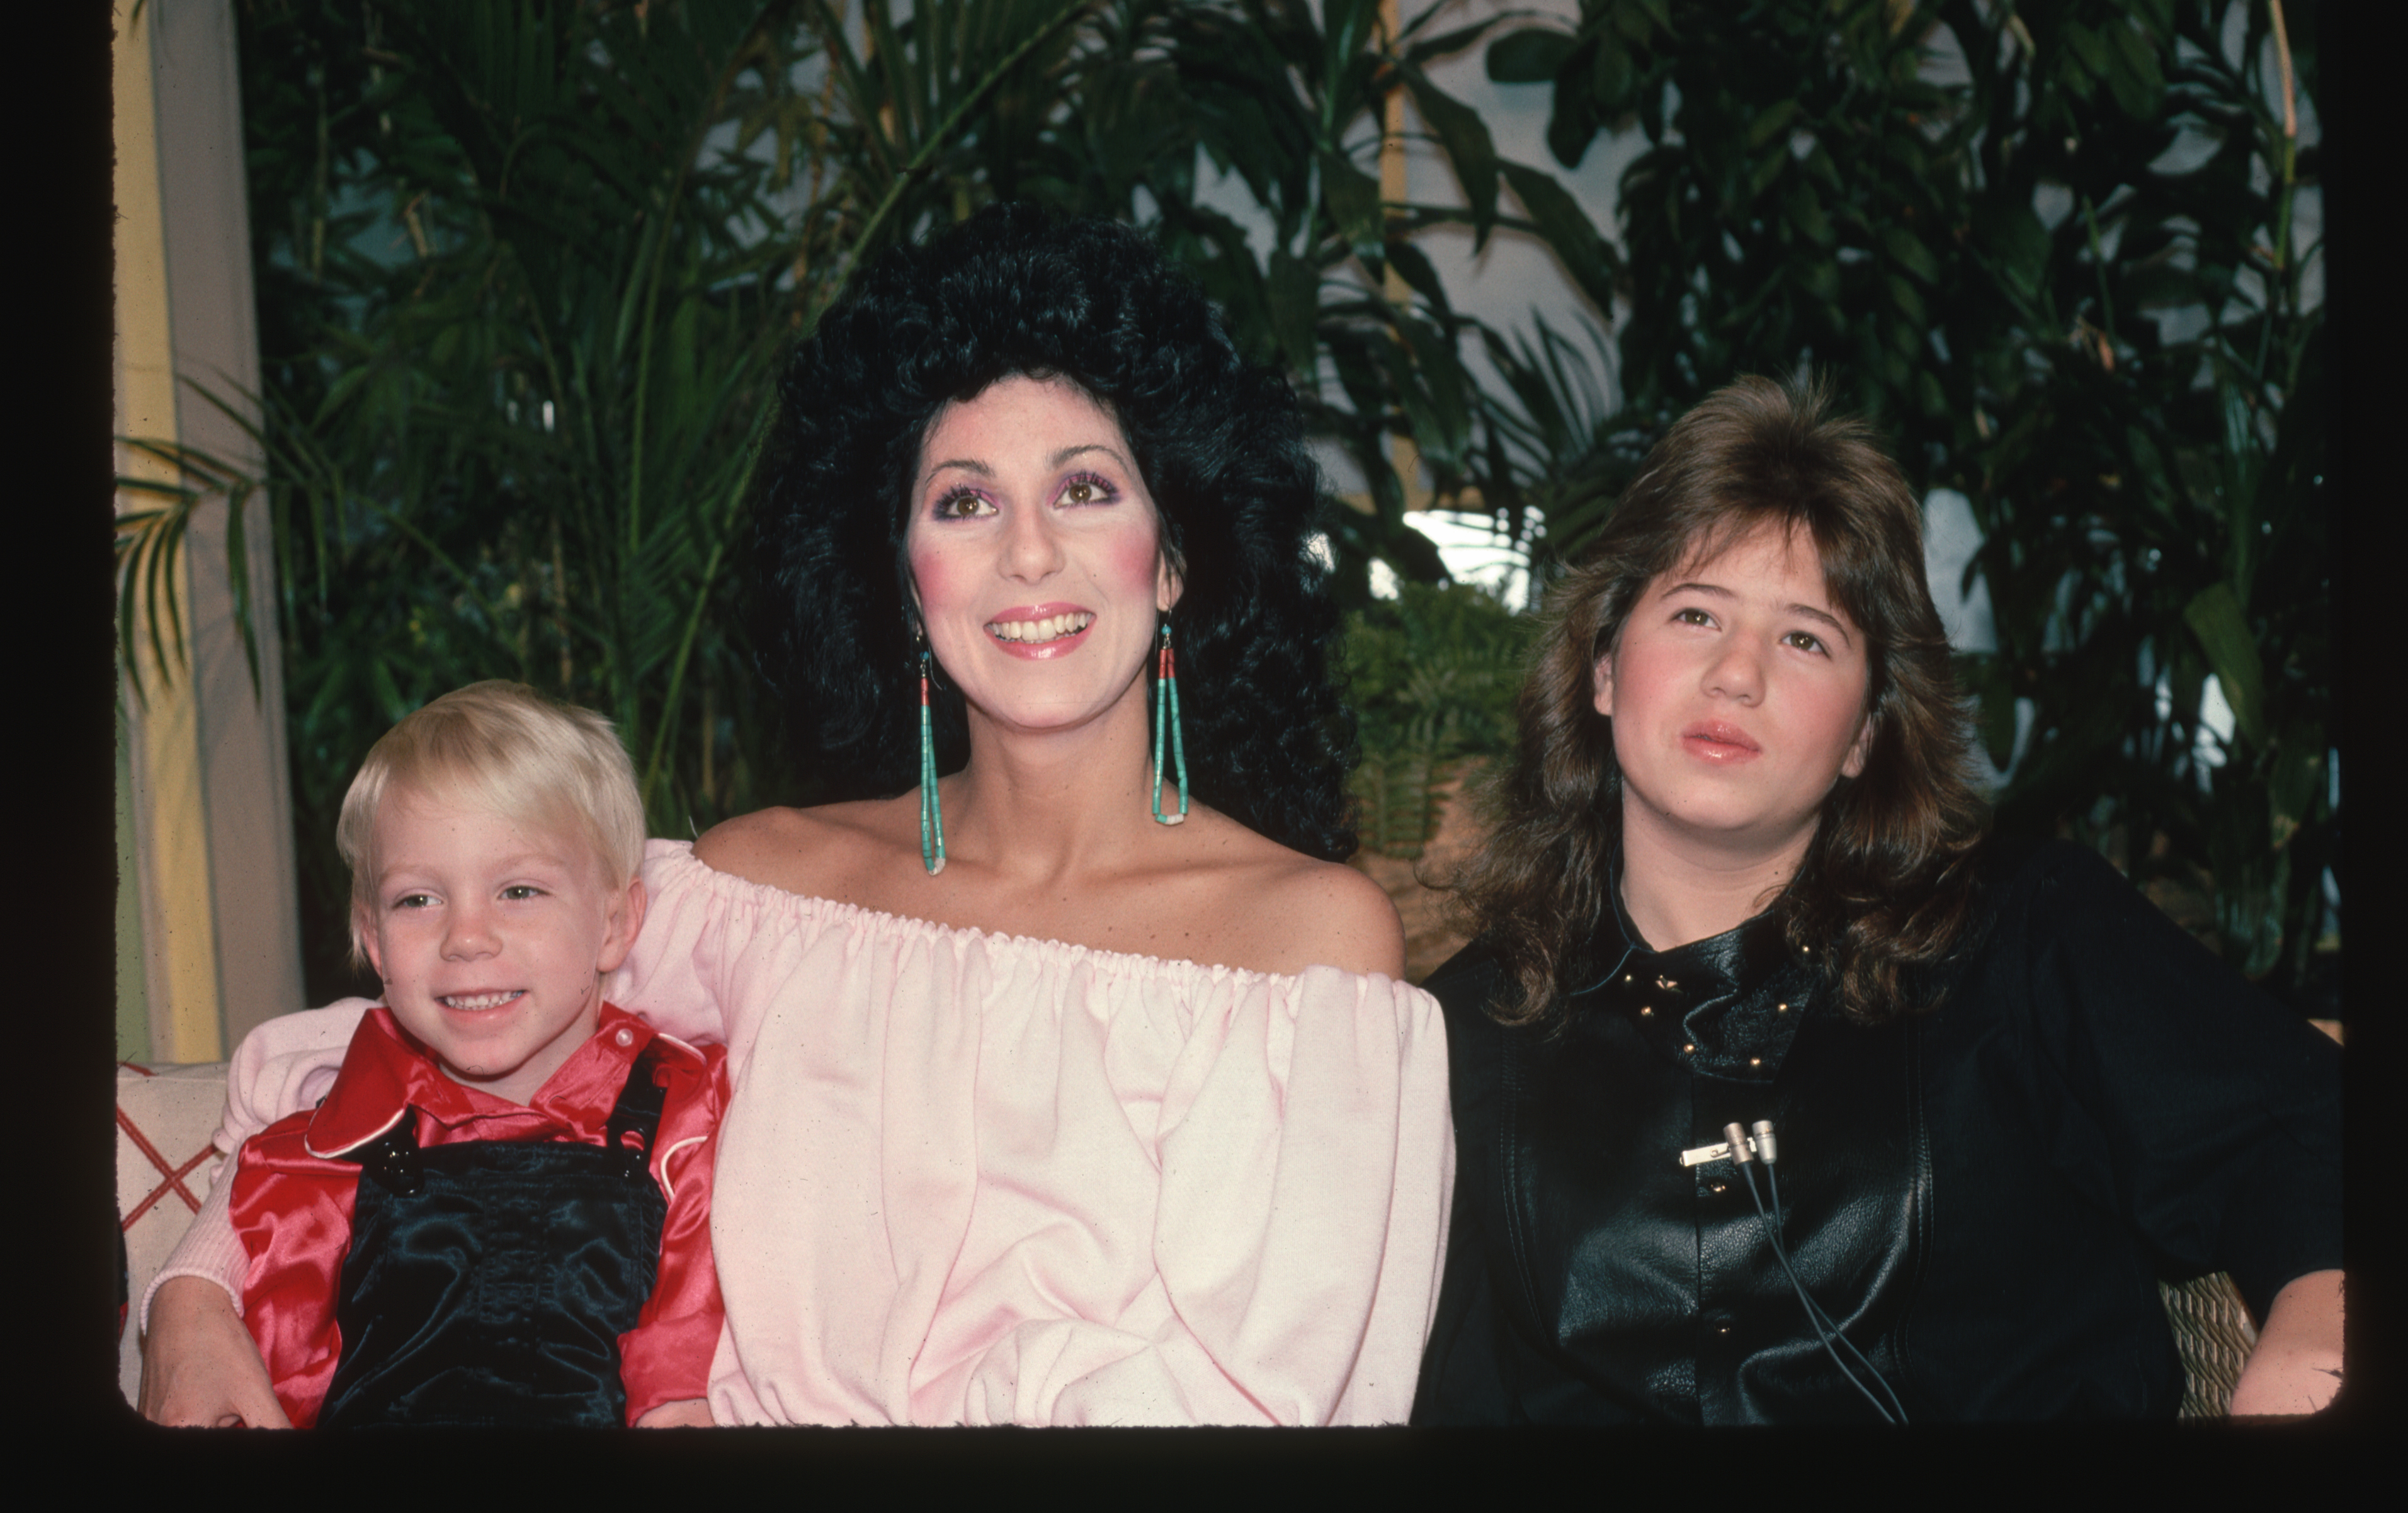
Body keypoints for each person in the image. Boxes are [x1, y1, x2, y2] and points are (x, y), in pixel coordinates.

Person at [140, 204, 1451, 1428]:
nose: (1029, 553)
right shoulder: (751, 895)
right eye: (965, 501)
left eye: (1086, 488)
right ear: (899, 579)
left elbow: (1261, 1390)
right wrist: (189, 1305)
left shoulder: (1304, 952)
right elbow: (367, 1066)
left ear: (1174, 558)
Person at [1410, 377, 2343, 1423]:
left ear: (1863, 733)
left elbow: (2308, 1130)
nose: (1735, 674)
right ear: (1600, 672)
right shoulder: (1466, 1029)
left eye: (1803, 637)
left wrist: (2313, 1344)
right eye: (1692, 613)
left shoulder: (2025, 933)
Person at [230, 681, 726, 1427]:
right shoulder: (324, 1154)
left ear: (615, 924)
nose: (465, 937)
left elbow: (682, 1393)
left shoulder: (683, 1116)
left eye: (519, 890)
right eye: (417, 901)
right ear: (372, 941)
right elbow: (269, 1393)